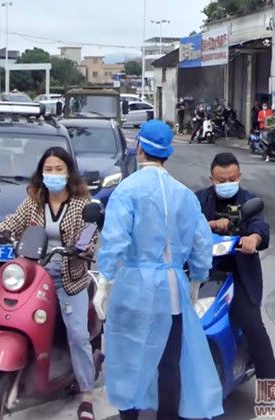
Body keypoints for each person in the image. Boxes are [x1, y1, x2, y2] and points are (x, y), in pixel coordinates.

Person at [94, 120, 223, 420]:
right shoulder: (185, 196)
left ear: (139, 148)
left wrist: (104, 281)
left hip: (134, 288)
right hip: (173, 291)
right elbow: (202, 244)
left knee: (130, 360)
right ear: (167, 152)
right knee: (169, 363)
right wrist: (195, 284)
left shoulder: (126, 191)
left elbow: (114, 241)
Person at [0, 147, 98, 420]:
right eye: (48, 170)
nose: (53, 175)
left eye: (59, 170)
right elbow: (14, 223)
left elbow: (90, 236)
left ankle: (86, 394)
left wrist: (83, 248)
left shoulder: (81, 204)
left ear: (68, 173)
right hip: (33, 272)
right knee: (8, 315)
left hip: (69, 276)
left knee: (77, 335)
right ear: (41, 173)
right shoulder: (33, 201)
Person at [196, 153, 275, 383]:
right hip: (205, 273)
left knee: (252, 324)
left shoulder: (248, 200)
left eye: (231, 179)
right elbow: (185, 224)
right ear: (211, 178)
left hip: (239, 274)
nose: (226, 184)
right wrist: (210, 225)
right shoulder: (199, 200)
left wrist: (253, 238)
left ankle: (269, 382)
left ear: (239, 175)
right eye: (220, 181)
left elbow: (260, 226)